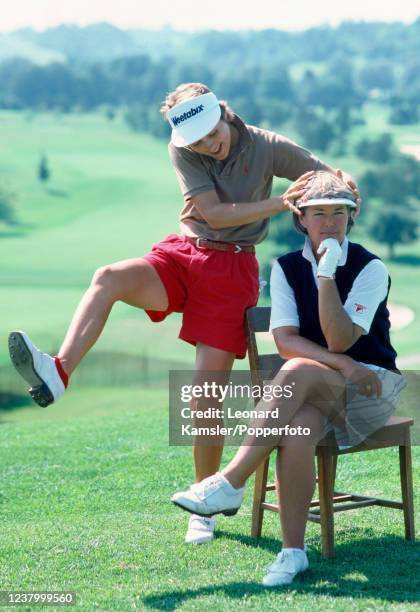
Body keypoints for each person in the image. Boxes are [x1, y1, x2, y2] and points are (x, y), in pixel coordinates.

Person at [8, 83, 359, 545]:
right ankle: (58, 371)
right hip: (183, 255)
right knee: (108, 276)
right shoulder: (185, 152)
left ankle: (205, 507)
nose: (206, 146)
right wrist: (279, 202)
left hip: (230, 269)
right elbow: (212, 215)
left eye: (211, 135)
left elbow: (326, 178)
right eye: (195, 142)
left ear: (224, 115)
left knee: (204, 397)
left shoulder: (268, 146)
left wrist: (340, 184)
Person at [171, 171, 407, 584]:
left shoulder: (370, 268)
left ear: (351, 218)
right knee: (297, 427)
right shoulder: (283, 267)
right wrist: (343, 365)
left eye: (339, 213)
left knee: (298, 370)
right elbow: (285, 341)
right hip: (325, 388)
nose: (330, 223)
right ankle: (293, 552)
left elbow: (337, 340)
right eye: (319, 214)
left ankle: (231, 481)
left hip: (372, 389)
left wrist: (327, 275)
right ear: (301, 219)